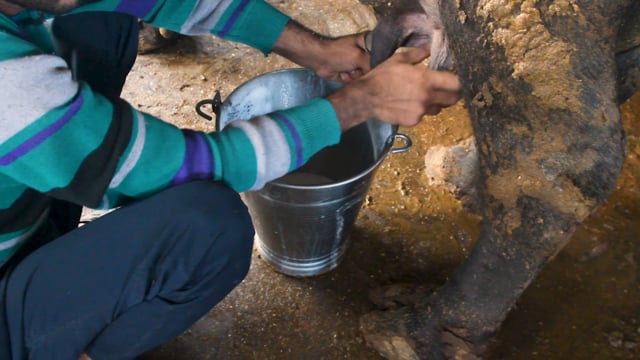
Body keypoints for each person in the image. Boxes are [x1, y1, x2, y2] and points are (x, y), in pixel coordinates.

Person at [0, 0, 462, 358]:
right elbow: (181, 168)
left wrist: (314, 49)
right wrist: (356, 105)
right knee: (208, 225)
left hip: (21, 211)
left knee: (101, 21)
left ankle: (58, 193)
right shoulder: (9, 84)